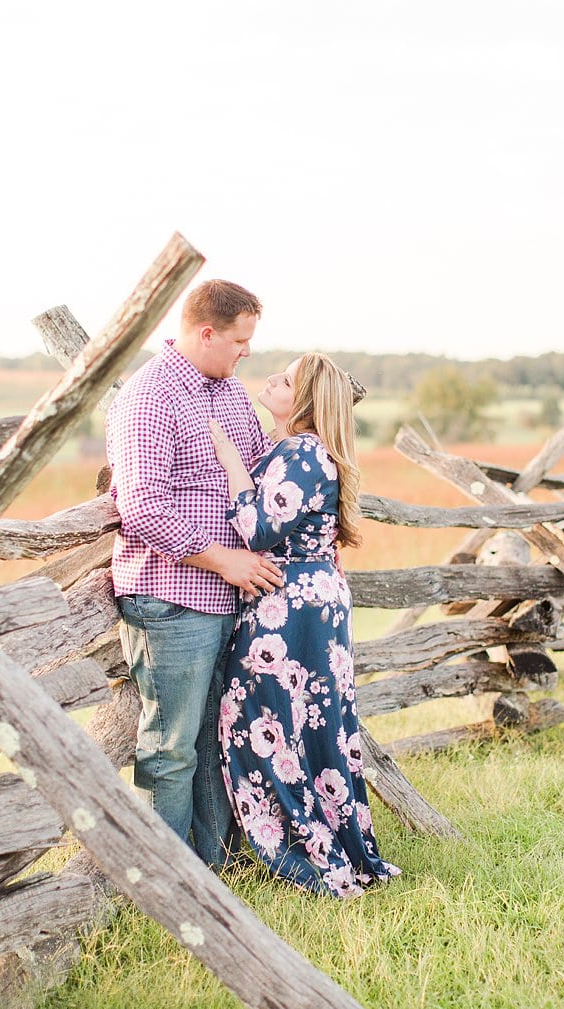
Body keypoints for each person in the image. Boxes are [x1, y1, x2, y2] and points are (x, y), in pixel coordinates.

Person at [105, 279, 284, 868]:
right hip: (172, 598)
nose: (247, 351)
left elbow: (259, 467)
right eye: (240, 339)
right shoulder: (149, 397)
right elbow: (143, 508)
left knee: (213, 739)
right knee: (172, 749)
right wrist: (224, 558)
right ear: (205, 333)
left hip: (225, 599)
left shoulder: (229, 393)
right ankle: (164, 880)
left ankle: (214, 867)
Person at [208, 353, 400, 897]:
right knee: (311, 722)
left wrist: (229, 462)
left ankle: (306, 854)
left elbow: (259, 531)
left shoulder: (303, 450)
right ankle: (329, 843)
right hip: (308, 599)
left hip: (288, 606)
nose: (272, 379)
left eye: (287, 380)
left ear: (308, 401)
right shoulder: (303, 450)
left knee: (263, 722)